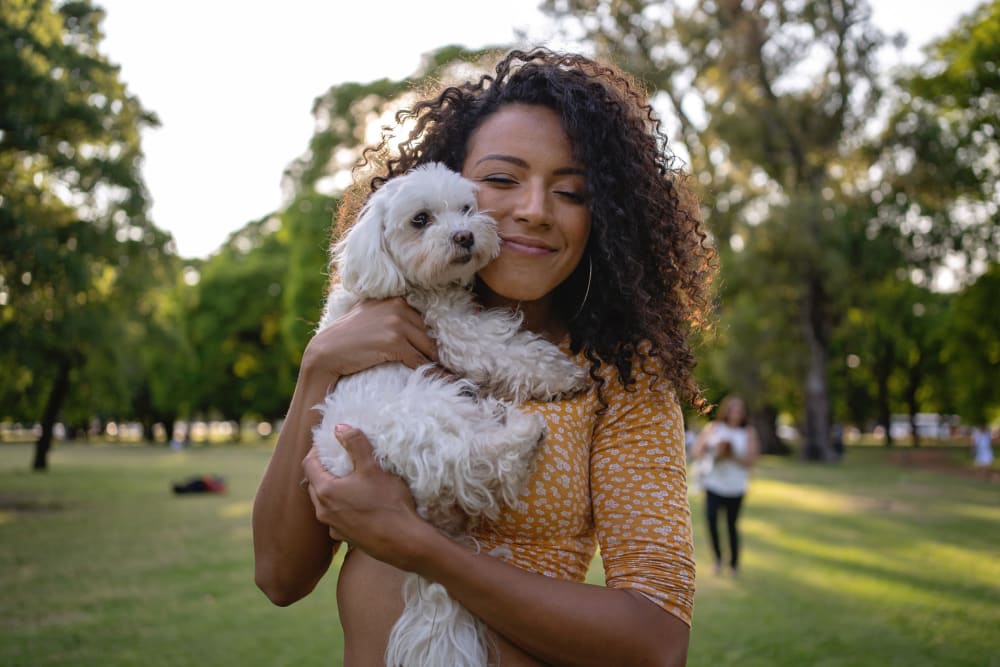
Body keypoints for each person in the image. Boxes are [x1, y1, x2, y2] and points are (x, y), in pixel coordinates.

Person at [252, 48, 715, 666]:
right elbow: (280, 578)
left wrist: (422, 548)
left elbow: (657, 643)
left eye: (571, 191)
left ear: (604, 215)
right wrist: (319, 368)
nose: (533, 209)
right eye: (500, 180)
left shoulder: (617, 378)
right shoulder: (373, 331)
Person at [691, 395, 759, 576]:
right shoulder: (714, 428)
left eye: (739, 410)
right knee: (712, 522)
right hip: (713, 484)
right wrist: (712, 450)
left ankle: (734, 564)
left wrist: (732, 455)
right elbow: (697, 451)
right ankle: (718, 559)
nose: (736, 414)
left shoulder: (748, 432)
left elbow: (751, 461)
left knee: (731, 525)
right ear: (726, 411)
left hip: (735, 487)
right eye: (732, 410)